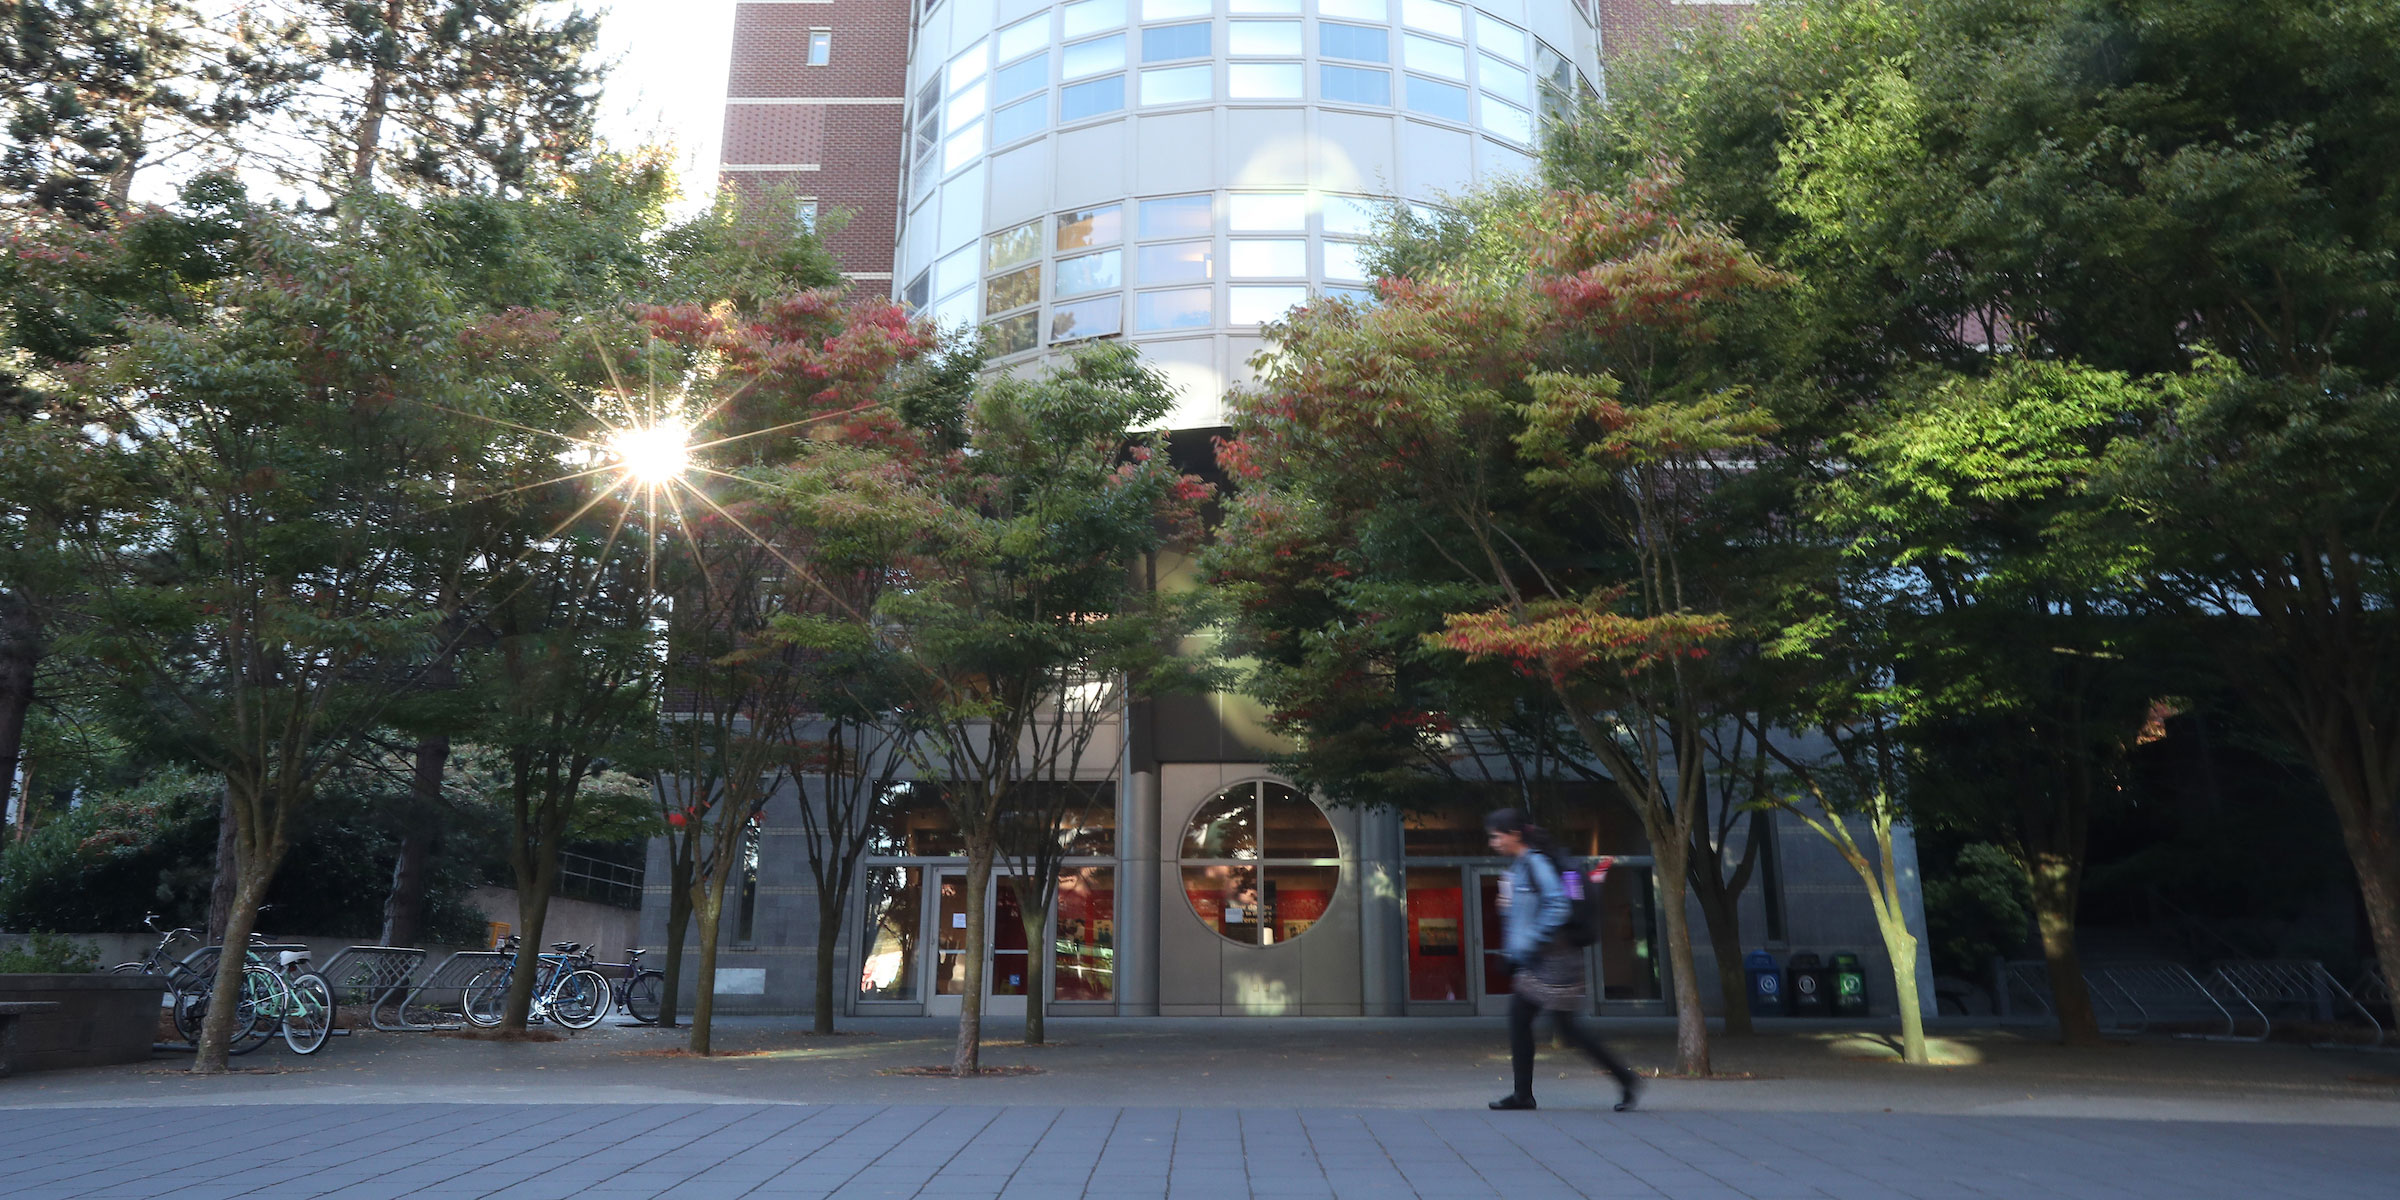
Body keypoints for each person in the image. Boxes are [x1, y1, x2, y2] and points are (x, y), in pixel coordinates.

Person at [1484, 807, 1642, 1112]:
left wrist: (1529, 944)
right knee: (1560, 1028)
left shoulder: (1536, 863)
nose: (1493, 842)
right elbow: (1523, 914)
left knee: (1532, 1021)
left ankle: (1525, 1095)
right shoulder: (1522, 865)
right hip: (1547, 958)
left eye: (1496, 836)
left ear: (1514, 835)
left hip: (1554, 959)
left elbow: (1557, 906)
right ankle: (1624, 1080)